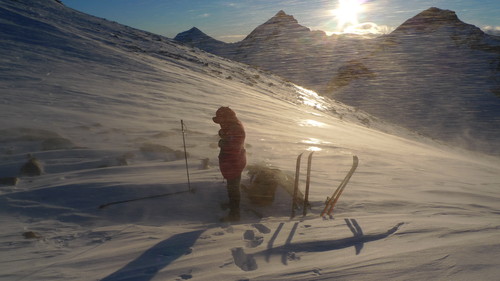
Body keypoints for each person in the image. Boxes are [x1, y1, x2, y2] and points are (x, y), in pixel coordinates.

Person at [213, 107, 246, 221]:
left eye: (221, 120)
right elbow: (229, 137)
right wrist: (223, 133)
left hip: (234, 163)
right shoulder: (231, 126)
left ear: (226, 118)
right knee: (231, 187)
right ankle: (232, 206)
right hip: (233, 162)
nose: (220, 123)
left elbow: (232, 147)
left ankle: (234, 214)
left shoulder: (235, 128)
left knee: (233, 188)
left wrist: (222, 143)